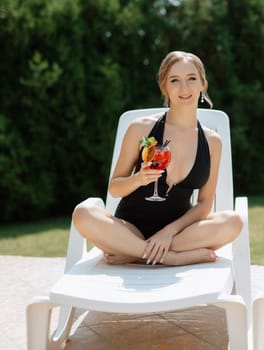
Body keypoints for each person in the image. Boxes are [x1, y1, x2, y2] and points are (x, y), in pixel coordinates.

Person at [72, 51, 243, 266]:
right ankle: (169, 258)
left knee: (233, 222)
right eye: (175, 80)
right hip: (129, 229)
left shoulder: (212, 141)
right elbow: (115, 188)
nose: (184, 88)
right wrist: (138, 179)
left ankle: (135, 254)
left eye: (191, 79)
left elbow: (205, 203)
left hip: (178, 235)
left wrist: (168, 232)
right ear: (165, 87)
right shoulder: (141, 129)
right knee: (83, 213)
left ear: (202, 84)